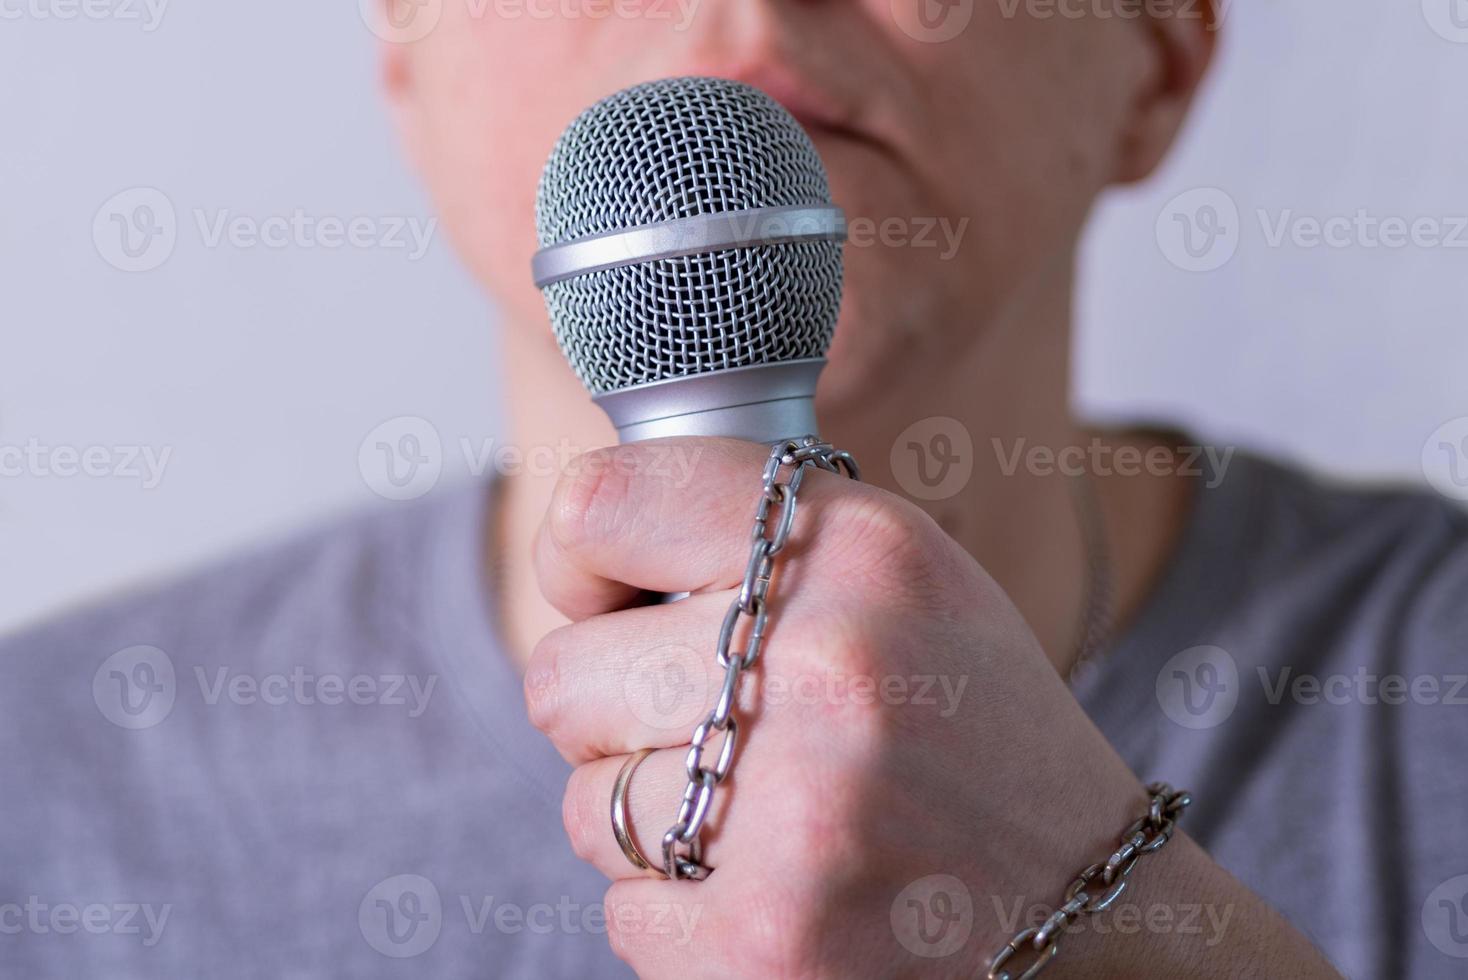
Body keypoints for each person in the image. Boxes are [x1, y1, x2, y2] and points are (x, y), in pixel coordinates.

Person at [5, 2, 1465, 977]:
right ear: (405, 40)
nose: (755, 5)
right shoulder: (46, 797)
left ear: (1159, 55)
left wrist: (1128, 930)